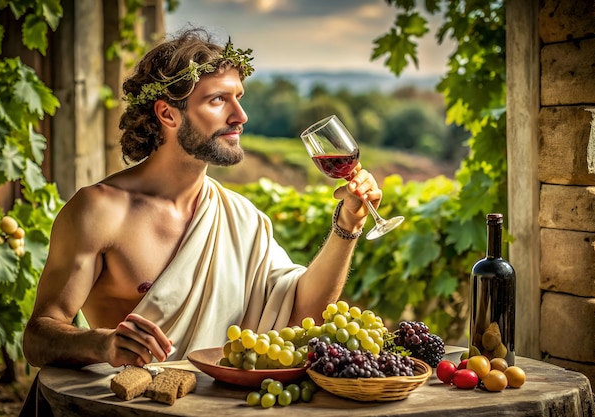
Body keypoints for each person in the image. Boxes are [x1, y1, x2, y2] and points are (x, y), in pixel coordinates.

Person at [22, 27, 383, 370]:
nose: (240, 116)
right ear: (167, 113)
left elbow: (306, 313)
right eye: (217, 100)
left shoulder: (243, 218)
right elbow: (38, 337)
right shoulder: (99, 211)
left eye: (238, 98)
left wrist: (347, 224)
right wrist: (102, 345)